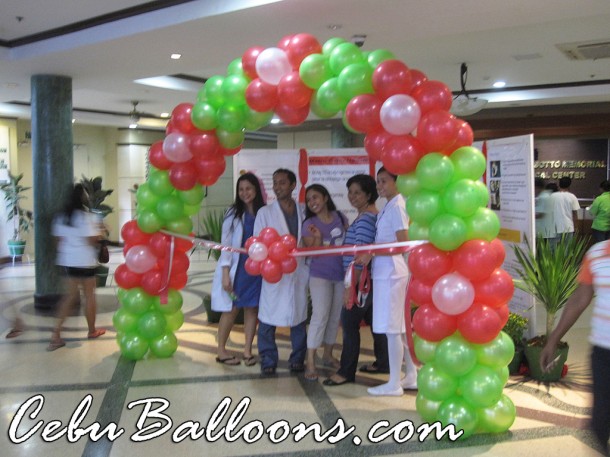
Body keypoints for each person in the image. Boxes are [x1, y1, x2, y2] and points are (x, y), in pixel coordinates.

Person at [540, 239, 610, 454]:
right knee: (600, 421)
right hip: (603, 351)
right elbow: (580, 298)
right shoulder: (597, 252)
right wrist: (553, 340)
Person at [354, 167, 416, 396]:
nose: (379, 186)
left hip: (392, 272)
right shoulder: (390, 205)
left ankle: (393, 383)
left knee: (392, 329)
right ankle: (411, 375)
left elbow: (403, 244)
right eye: (378, 182)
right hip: (386, 271)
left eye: (384, 181)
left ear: (398, 182)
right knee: (398, 329)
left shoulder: (398, 205)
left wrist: (373, 253)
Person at [324, 174, 389, 387]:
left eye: (357, 192)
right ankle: (383, 362)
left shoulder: (365, 221)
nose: (352, 196)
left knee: (350, 325)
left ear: (369, 195)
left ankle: (346, 371)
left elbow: (360, 259)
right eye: (350, 192)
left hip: (360, 283)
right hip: (368, 283)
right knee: (374, 321)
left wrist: (350, 288)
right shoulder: (369, 217)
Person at [254, 169, 309, 376]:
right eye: (275, 183)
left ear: (293, 185)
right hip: (274, 273)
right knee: (268, 317)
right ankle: (268, 358)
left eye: (282, 183)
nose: (278, 187)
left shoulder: (304, 210)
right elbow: (257, 245)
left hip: (298, 272)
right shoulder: (265, 213)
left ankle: (297, 358)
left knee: (299, 316)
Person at [211, 172, 265, 366]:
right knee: (231, 310)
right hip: (237, 270)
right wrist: (226, 272)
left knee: (252, 309)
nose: (245, 193)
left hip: (256, 272)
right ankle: (221, 351)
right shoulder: (233, 213)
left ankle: (248, 351)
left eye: (248, 188)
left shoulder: (263, 212)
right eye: (241, 189)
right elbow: (225, 244)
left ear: (256, 190)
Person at [48, 183, 106, 351]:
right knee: (89, 296)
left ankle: (56, 334)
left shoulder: (60, 217)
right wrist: (100, 232)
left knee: (68, 298)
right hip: (85, 262)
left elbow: (58, 242)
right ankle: (92, 330)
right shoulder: (87, 217)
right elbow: (91, 241)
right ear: (84, 198)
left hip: (67, 262)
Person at [301, 184, 348, 381]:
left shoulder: (341, 217)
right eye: (309, 199)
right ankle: (310, 360)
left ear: (326, 197)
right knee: (319, 315)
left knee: (335, 316)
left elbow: (348, 242)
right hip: (319, 274)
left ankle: (328, 354)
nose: (313, 202)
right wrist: (318, 238)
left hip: (340, 275)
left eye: (316, 197)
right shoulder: (309, 223)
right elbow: (311, 252)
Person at [550, 176, 580, 244]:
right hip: (568, 227)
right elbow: (575, 214)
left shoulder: (552, 196)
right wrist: (576, 228)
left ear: (559, 184)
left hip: (554, 228)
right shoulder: (572, 197)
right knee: (567, 251)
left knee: (553, 252)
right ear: (569, 185)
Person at [534, 177, 554, 242]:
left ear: (537, 187)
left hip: (543, 232)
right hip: (546, 231)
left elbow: (540, 214)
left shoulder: (543, 197)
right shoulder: (547, 195)